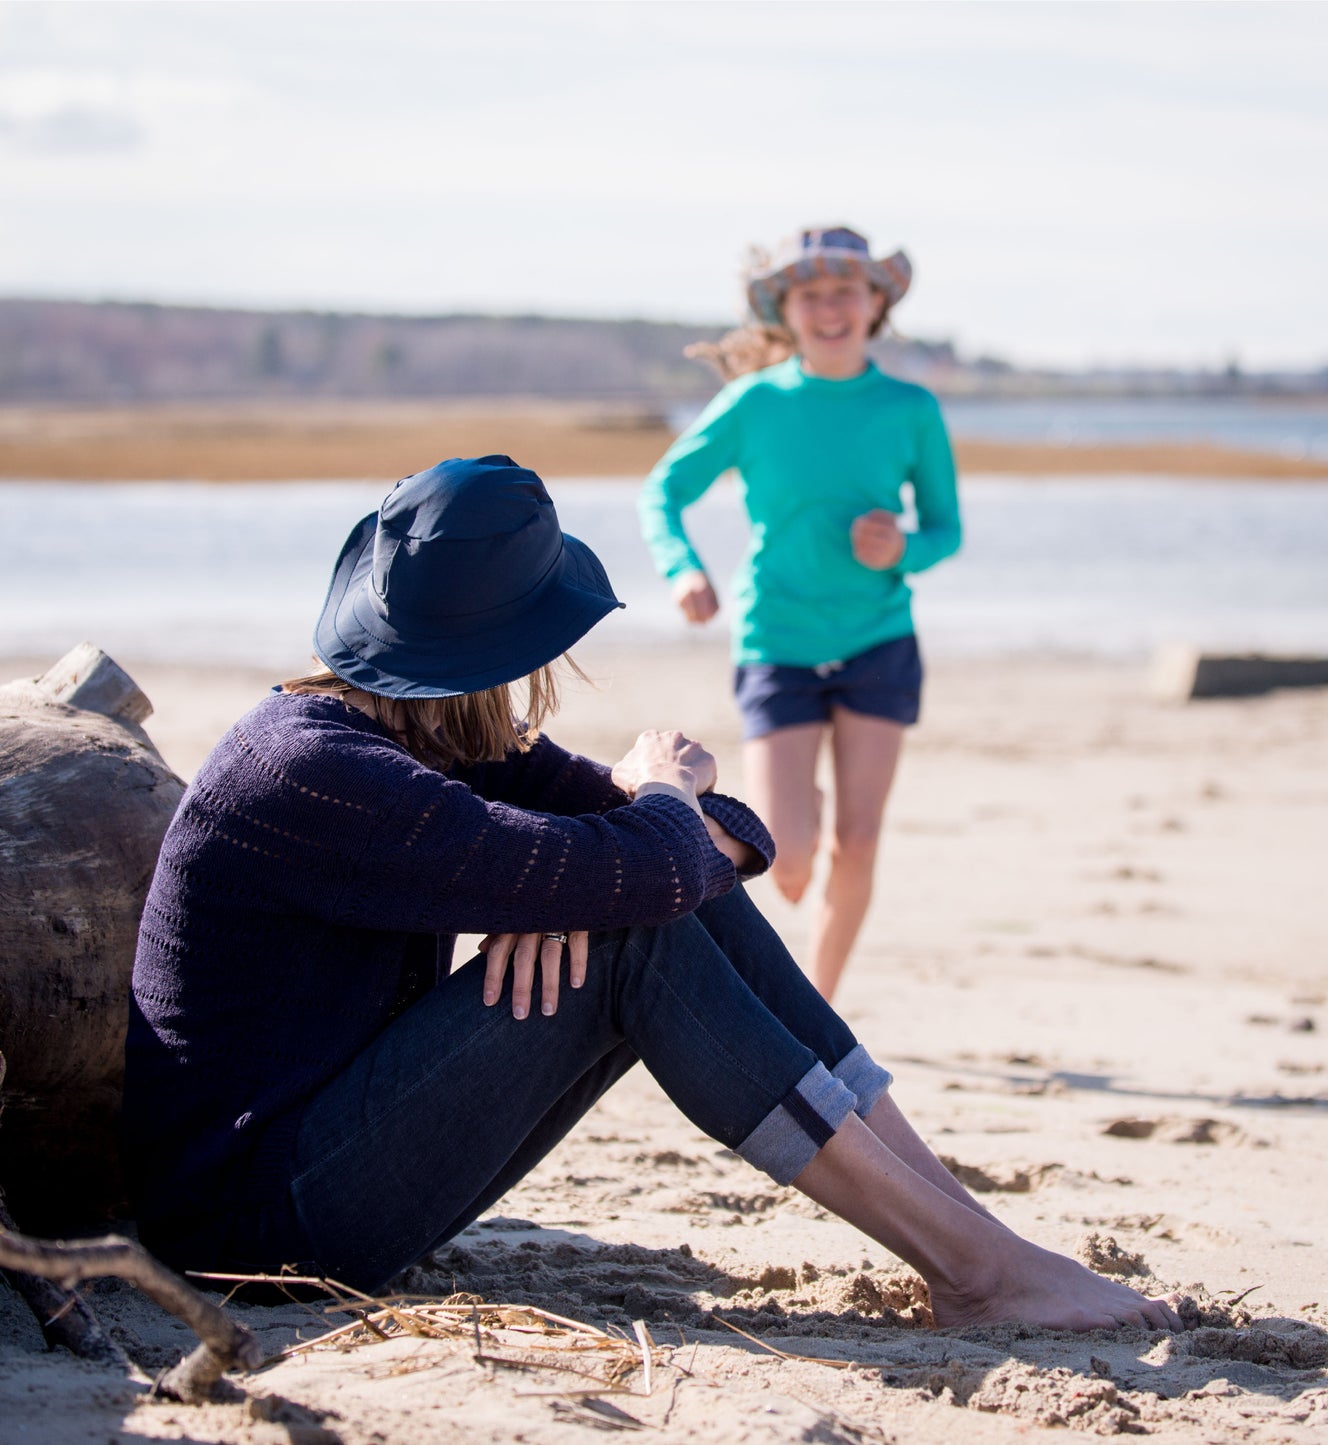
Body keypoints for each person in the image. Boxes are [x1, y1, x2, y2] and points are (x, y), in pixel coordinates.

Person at [124, 455, 1179, 1333]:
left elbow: (730, 847)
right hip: (254, 1225)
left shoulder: (436, 735)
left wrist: (638, 836)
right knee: (635, 926)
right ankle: (975, 1270)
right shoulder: (316, 771)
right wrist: (654, 811)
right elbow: (668, 847)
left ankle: (972, 1236)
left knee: (649, 892)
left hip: (329, 1168)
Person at [638, 225, 962, 1001]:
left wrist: (902, 551)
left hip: (876, 642)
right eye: (809, 294)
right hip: (776, 640)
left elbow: (945, 529)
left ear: (875, 302)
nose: (828, 308)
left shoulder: (909, 407)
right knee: (784, 860)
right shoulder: (753, 402)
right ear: (783, 308)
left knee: (858, 841)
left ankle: (818, 1001)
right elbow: (663, 491)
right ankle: (801, 814)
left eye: (844, 290)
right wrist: (682, 569)